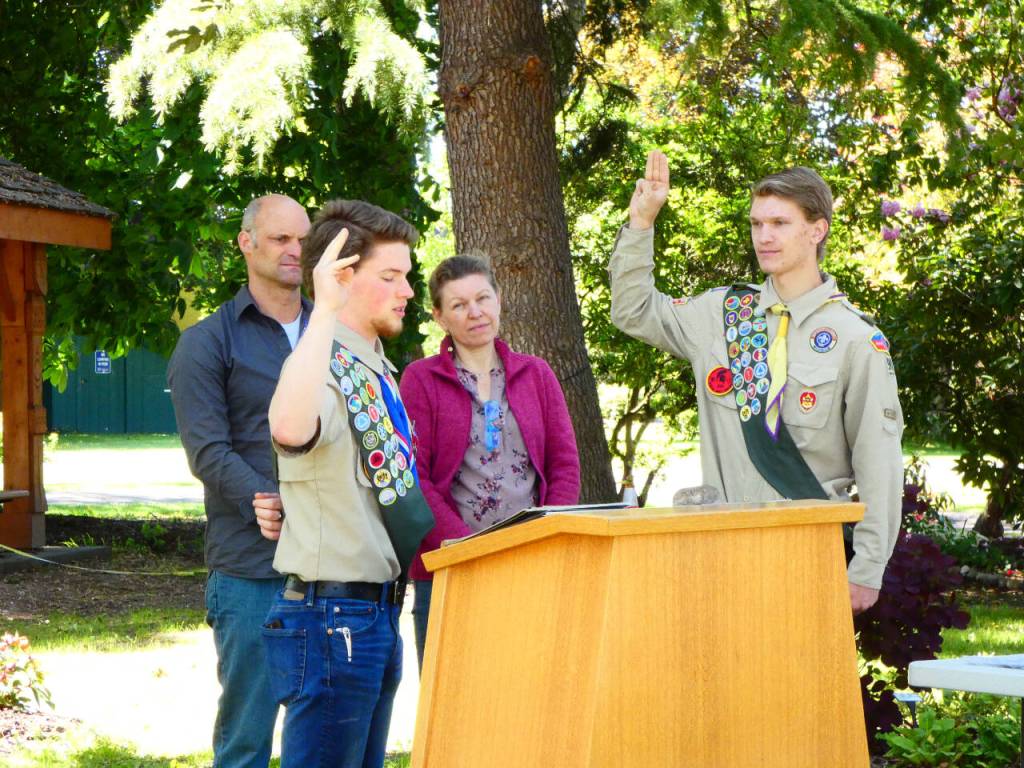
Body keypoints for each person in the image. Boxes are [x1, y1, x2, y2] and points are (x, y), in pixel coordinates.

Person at [609, 151, 903, 614]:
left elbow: (878, 461)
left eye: (779, 223)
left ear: (817, 230)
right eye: (756, 223)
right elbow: (633, 311)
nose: (763, 236)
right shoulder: (723, 315)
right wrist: (641, 223)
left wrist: (867, 568)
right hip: (720, 552)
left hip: (808, 554)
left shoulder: (856, 339)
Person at [262, 199, 433, 768]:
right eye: (390, 276)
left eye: (406, 276)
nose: (407, 291)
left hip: (372, 614)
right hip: (331, 619)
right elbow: (290, 429)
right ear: (340, 277)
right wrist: (325, 312)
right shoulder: (321, 363)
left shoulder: (373, 367)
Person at [167, 193, 311, 768]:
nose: (296, 250)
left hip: (338, 564)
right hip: (253, 568)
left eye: (304, 239)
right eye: (281, 238)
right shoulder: (208, 342)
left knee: (327, 737)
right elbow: (207, 449)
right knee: (247, 741)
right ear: (246, 243)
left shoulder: (337, 333)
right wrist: (264, 499)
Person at [399, 254, 581, 668]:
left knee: (536, 683)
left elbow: (565, 465)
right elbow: (415, 477)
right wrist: (468, 550)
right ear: (440, 317)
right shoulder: (421, 380)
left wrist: (545, 535)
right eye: (459, 304)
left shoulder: (536, 374)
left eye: (482, 298)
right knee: (454, 692)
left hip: (532, 561)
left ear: (499, 299)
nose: (475, 312)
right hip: (452, 566)